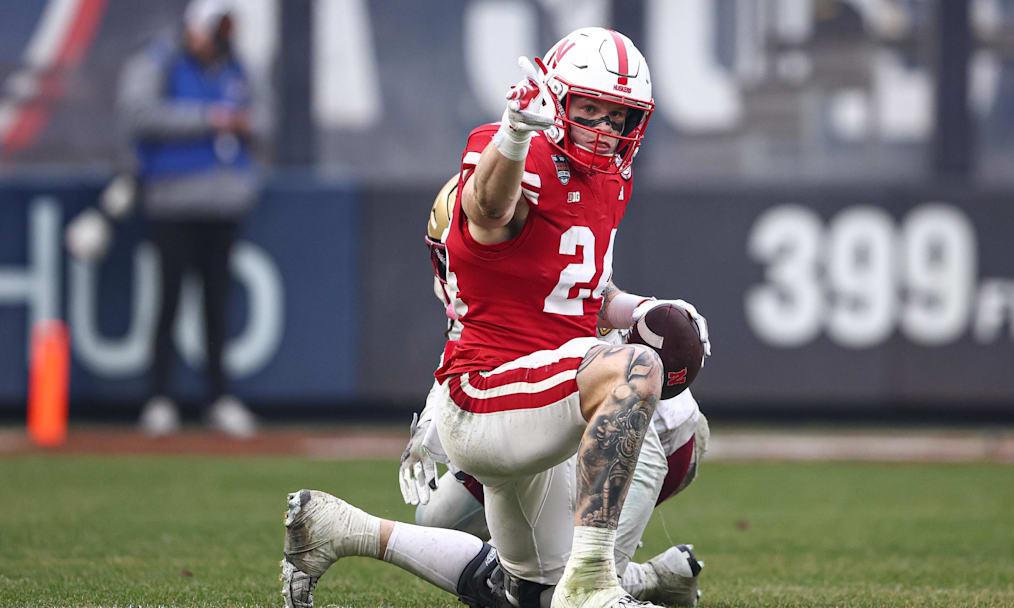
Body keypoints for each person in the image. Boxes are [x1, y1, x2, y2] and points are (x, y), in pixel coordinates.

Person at [281, 28, 710, 608]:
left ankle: (337, 527)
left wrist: (647, 309)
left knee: (529, 596)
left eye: (619, 117)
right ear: (555, 101)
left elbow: (580, 290)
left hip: (544, 393)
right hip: (488, 390)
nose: (605, 130)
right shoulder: (512, 153)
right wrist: (512, 134)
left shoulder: (608, 178)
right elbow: (487, 209)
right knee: (633, 372)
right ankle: (601, 579)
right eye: (590, 109)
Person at [398, 175, 710, 606]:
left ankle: (615, 576)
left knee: (568, 589)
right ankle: (648, 577)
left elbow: (596, 324)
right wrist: (437, 414)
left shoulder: (546, 256)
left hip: (642, 432)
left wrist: (645, 309)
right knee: (437, 518)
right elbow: (468, 348)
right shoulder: (468, 274)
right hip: (547, 413)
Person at [117, 0, 267, 438]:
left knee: (217, 305)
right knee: (168, 301)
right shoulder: (160, 60)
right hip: (172, 201)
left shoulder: (237, 66)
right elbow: (138, 114)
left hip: (223, 204)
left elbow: (264, 117)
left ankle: (218, 397)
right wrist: (209, 119)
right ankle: (160, 396)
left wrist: (246, 173)